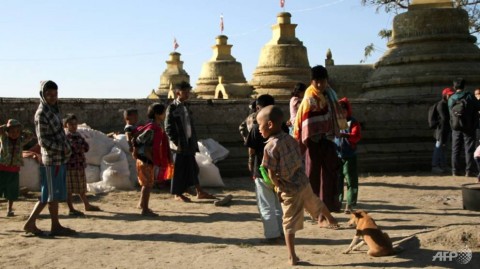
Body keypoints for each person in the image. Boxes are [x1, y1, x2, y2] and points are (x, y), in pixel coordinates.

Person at [259, 105, 339, 266]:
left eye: (259, 125)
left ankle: (292, 257)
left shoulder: (269, 147)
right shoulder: (290, 139)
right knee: (315, 202)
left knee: (288, 224)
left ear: (269, 125)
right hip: (303, 182)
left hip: (289, 189)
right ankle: (330, 218)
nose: (258, 129)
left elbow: (271, 174)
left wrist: (277, 187)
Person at [23, 80, 77, 237]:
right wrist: (64, 148)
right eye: (49, 94)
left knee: (51, 194)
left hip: (59, 159)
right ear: (42, 95)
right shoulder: (41, 114)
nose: (53, 97)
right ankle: (30, 223)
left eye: (55, 94)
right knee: (47, 194)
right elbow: (43, 141)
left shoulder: (53, 110)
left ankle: (55, 225)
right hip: (51, 159)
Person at [293, 65, 348, 214]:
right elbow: (304, 121)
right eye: (316, 81)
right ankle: (314, 209)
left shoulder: (331, 95)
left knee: (331, 172)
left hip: (329, 139)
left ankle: (329, 206)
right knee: (313, 175)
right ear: (311, 82)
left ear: (326, 81)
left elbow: (333, 116)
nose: (319, 85)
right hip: (313, 141)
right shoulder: (309, 97)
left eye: (322, 81)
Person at [165, 81, 215, 202]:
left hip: (188, 142)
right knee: (179, 169)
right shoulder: (172, 108)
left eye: (188, 92)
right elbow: (168, 127)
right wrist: (177, 143)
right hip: (179, 145)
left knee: (192, 167)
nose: (187, 94)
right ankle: (177, 193)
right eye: (185, 92)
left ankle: (199, 191)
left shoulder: (186, 106)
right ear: (177, 93)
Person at [245, 94, 284, 243]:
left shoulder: (257, 127)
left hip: (262, 171)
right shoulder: (282, 125)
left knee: (265, 205)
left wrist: (250, 164)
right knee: (278, 204)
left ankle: (272, 235)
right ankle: (281, 232)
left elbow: (252, 150)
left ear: (259, 108)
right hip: (279, 171)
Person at [133, 103, 172, 216]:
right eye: (163, 112)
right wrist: (150, 157)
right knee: (148, 185)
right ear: (157, 114)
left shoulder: (154, 126)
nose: (165, 115)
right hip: (146, 160)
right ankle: (145, 209)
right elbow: (141, 142)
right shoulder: (152, 128)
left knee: (146, 183)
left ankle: (141, 204)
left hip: (145, 159)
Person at [63, 113, 100, 216]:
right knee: (69, 189)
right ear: (66, 125)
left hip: (79, 165)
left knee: (81, 187)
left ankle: (86, 205)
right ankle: (71, 208)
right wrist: (79, 147)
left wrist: (79, 147)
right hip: (70, 166)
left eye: (75, 124)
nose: (73, 126)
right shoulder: (66, 137)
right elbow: (73, 148)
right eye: (71, 124)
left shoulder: (78, 136)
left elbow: (86, 147)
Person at [0, 119, 33, 217]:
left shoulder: (21, 140)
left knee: (12, 191)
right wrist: (7, 126)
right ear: (7, 131)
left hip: (14, 170)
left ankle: (9, 209)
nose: (15, 134)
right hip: (2, 169)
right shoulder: (4, 138)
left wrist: (21, 130)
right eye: (12, 131)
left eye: (17, 132)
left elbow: (30, 135)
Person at [448, 78, 480, 177]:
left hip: (456, 126)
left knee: (455, 148)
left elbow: (450, 112)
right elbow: (479, 106)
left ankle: (455, 170)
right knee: (469, 148)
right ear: (464, 86)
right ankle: (469, 170)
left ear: (454, 87)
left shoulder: (451, 98)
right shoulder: (469, 96)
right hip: (468, 126)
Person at [335, 98, 361, 214]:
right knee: (338, 180)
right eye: (340, 112)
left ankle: (349, 204)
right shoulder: (335, 121)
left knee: (351, 180)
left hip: (349, 155)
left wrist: (344, 135)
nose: (342, 114)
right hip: (337, 155)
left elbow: (356, 136)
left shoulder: (353, 121)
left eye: (343, 111)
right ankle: (338, 202)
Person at [431, 88, 455, 174]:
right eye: (449, 95)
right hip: (441, 130)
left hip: (446, 130)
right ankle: (435, 166)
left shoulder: (447, 104)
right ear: (445, 95)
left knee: (444, 149)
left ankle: (443, 165)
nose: (451, 96)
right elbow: (444, 118)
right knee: (438, 148)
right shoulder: (441, 105)